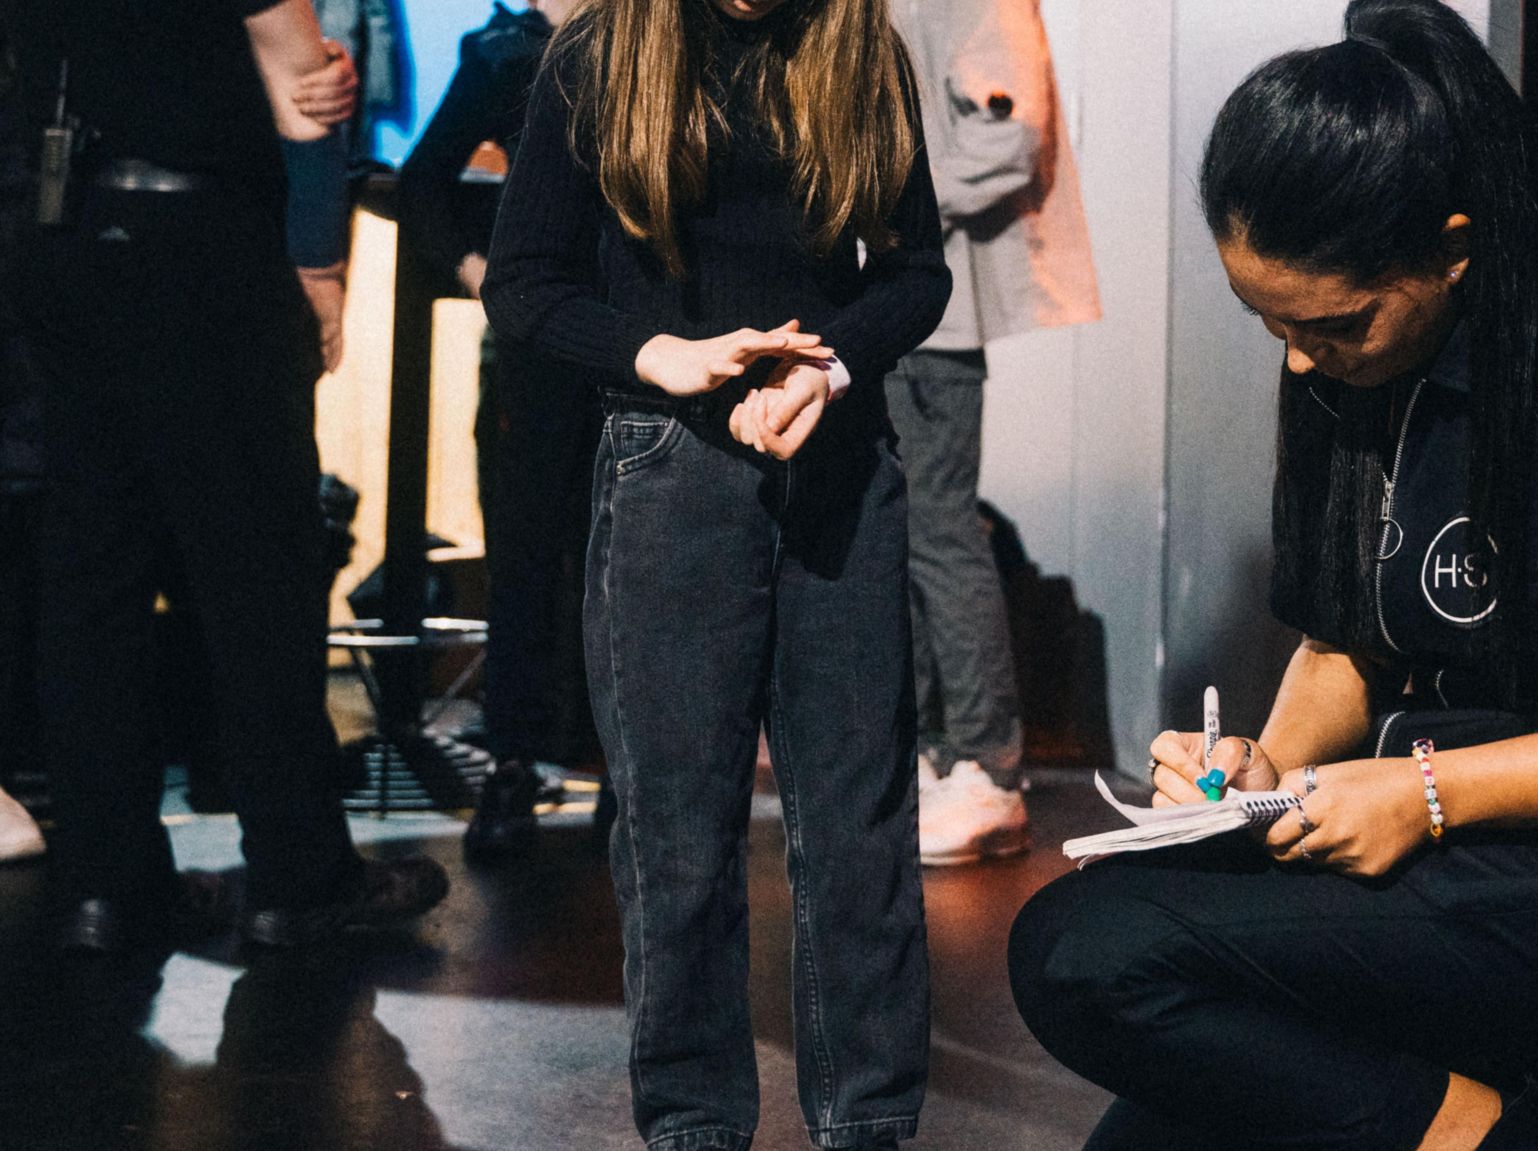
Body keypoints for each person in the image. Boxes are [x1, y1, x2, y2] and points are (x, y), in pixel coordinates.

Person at [1007, 4, 1538, 1150]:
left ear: (1451, 246)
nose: (1299, 358)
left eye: (1331, 322)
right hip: (1434, 830)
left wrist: (1431, 790)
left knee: (1081, 951)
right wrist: (1261, 770)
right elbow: (1346, 643)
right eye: (1267, 322)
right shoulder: (1344, 355)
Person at [482, 0, 948, 1145]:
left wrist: (830, 371)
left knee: (859, 825)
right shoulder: (599, 55)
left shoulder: (858, 50)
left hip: (837, 458)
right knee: (675, 831)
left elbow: (916, 272)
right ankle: (692, 1125)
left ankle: (870, 1120)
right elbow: (524, 281)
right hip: (665, 459)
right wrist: (663, 357)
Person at [6, 0, 447, 953]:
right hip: (198, 240)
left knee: (93, 576)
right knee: (260, 572)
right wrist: (322, 265)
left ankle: (110, 888)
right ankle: (300, 877)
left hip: (57, 233)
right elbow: (299, 80)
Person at [888, 0, 1099, 866]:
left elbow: (1011, 133)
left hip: (926, 313)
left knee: (934, 530)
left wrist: (884, 212)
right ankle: (945, 756)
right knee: (904, 532)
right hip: (898, 307)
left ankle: (984, 767)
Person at [393, 0, 594, 858]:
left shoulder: (657, 35)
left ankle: (618, 773)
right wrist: (489, 276)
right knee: (525, 551)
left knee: (622, 556)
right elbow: (421, 181)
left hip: (639, 345)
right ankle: (515, 761)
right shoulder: (508, 52)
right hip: (545, 344)